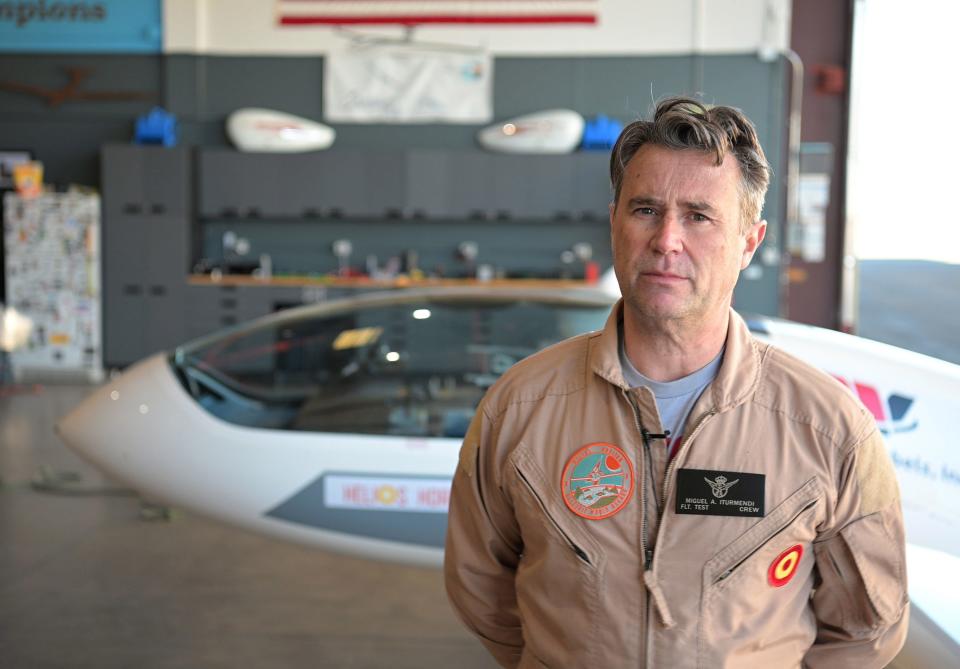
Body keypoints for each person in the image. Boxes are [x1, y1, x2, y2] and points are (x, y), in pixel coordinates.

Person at [444, 97, 908, 668]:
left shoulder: (829, 430)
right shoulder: (520, 408)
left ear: (748, 241)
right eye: (645, 209)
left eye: (699, 215)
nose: (666, 240)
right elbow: (482, 590)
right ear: (614, 221)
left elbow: (868, 627)